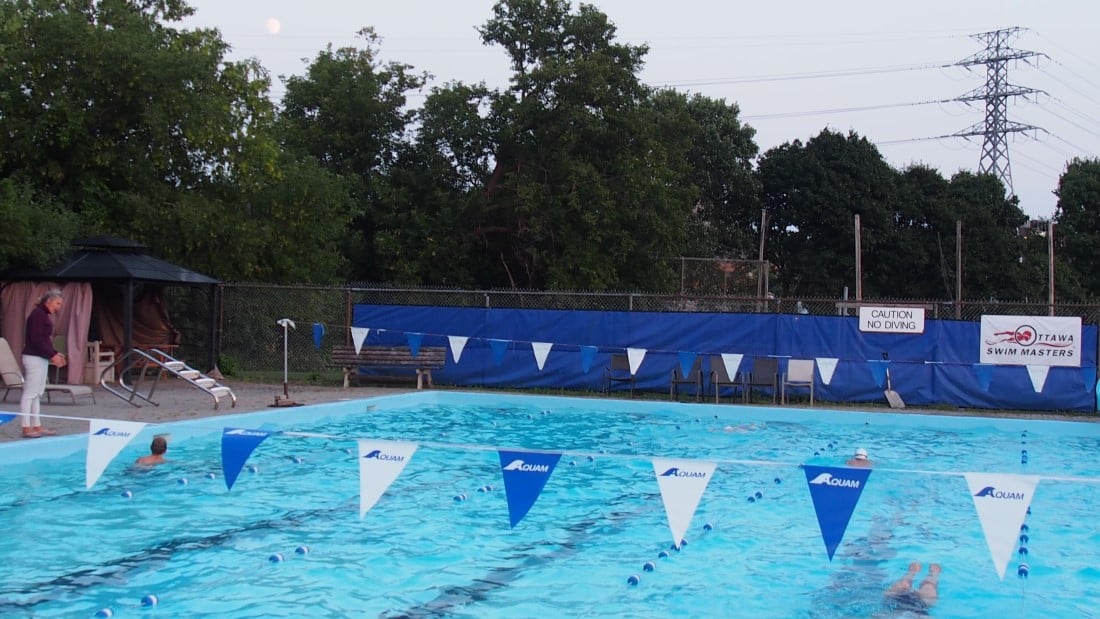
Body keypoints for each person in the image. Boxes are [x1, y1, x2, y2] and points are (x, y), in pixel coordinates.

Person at [20, 290, 66, 439]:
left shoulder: (42, 315)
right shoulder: (38, 315)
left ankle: (37, 425)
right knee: (30, 394)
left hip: (40, 357)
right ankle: (26, 427)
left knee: (38, 393)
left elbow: (44, 340)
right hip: (33, 357)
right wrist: (52, 355)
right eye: (57, 303)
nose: (58, 307)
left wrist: (54, 352)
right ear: (49, 301)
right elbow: (36, 340)